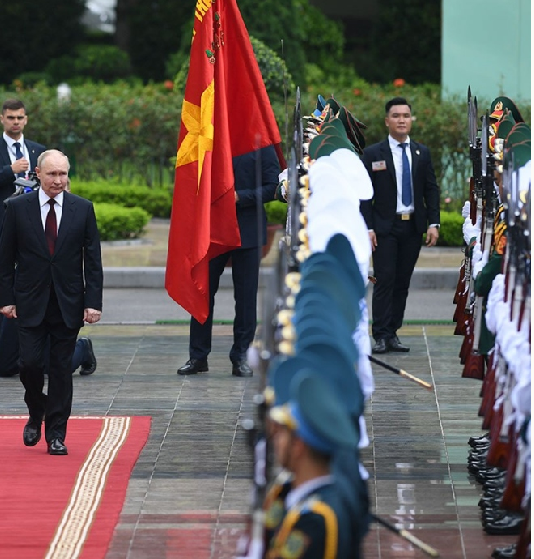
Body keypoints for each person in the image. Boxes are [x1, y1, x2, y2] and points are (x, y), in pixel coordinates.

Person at [0, 149, 102, 455]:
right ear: (38, 175)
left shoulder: (82, 209)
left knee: (59, 370)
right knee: (29, 364)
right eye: (52, 174)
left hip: (68, 302)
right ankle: (36, 410)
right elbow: (5, 259)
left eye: (63, 174)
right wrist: (6, 299)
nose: (59, 180)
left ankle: (56, 433)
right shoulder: (17, 208)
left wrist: (92, 302)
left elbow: (92, 260)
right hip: (29, 301)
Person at [177, 147, 280, 377]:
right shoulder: (210, 137)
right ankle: (198, 356)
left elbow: (274, 187)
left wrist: (240, 196)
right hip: (211, 231)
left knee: (245, 296)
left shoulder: (260, 143)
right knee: (202, 294)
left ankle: (241, 355)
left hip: (247, 230)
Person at [360, 97, 440, 354]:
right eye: (396, 115)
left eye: (406, 115)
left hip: (412, 227)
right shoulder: (373, 154)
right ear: (387, 121)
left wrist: (433, 223)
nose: (402, 120)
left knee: (402, 281)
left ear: (411, 120)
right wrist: (368, 228)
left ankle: (393, 332)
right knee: (384, 279)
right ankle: (380, 335)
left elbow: (431, 189)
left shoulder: (422, 152)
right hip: (385, 228)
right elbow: (364, 194)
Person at [0, 99, 45, 359]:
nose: (16, 121)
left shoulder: (38, 151)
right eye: (11, 117)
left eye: (20, 117)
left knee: (32, 289)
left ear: (26, 119)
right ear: (2, 118)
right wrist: (9, 171)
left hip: (30, 233)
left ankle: (28, 347)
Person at [265, 372, 365, 557]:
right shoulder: (287, 491)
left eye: (283, 434)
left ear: (298, 446)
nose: (275, 440)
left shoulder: (320, 518)